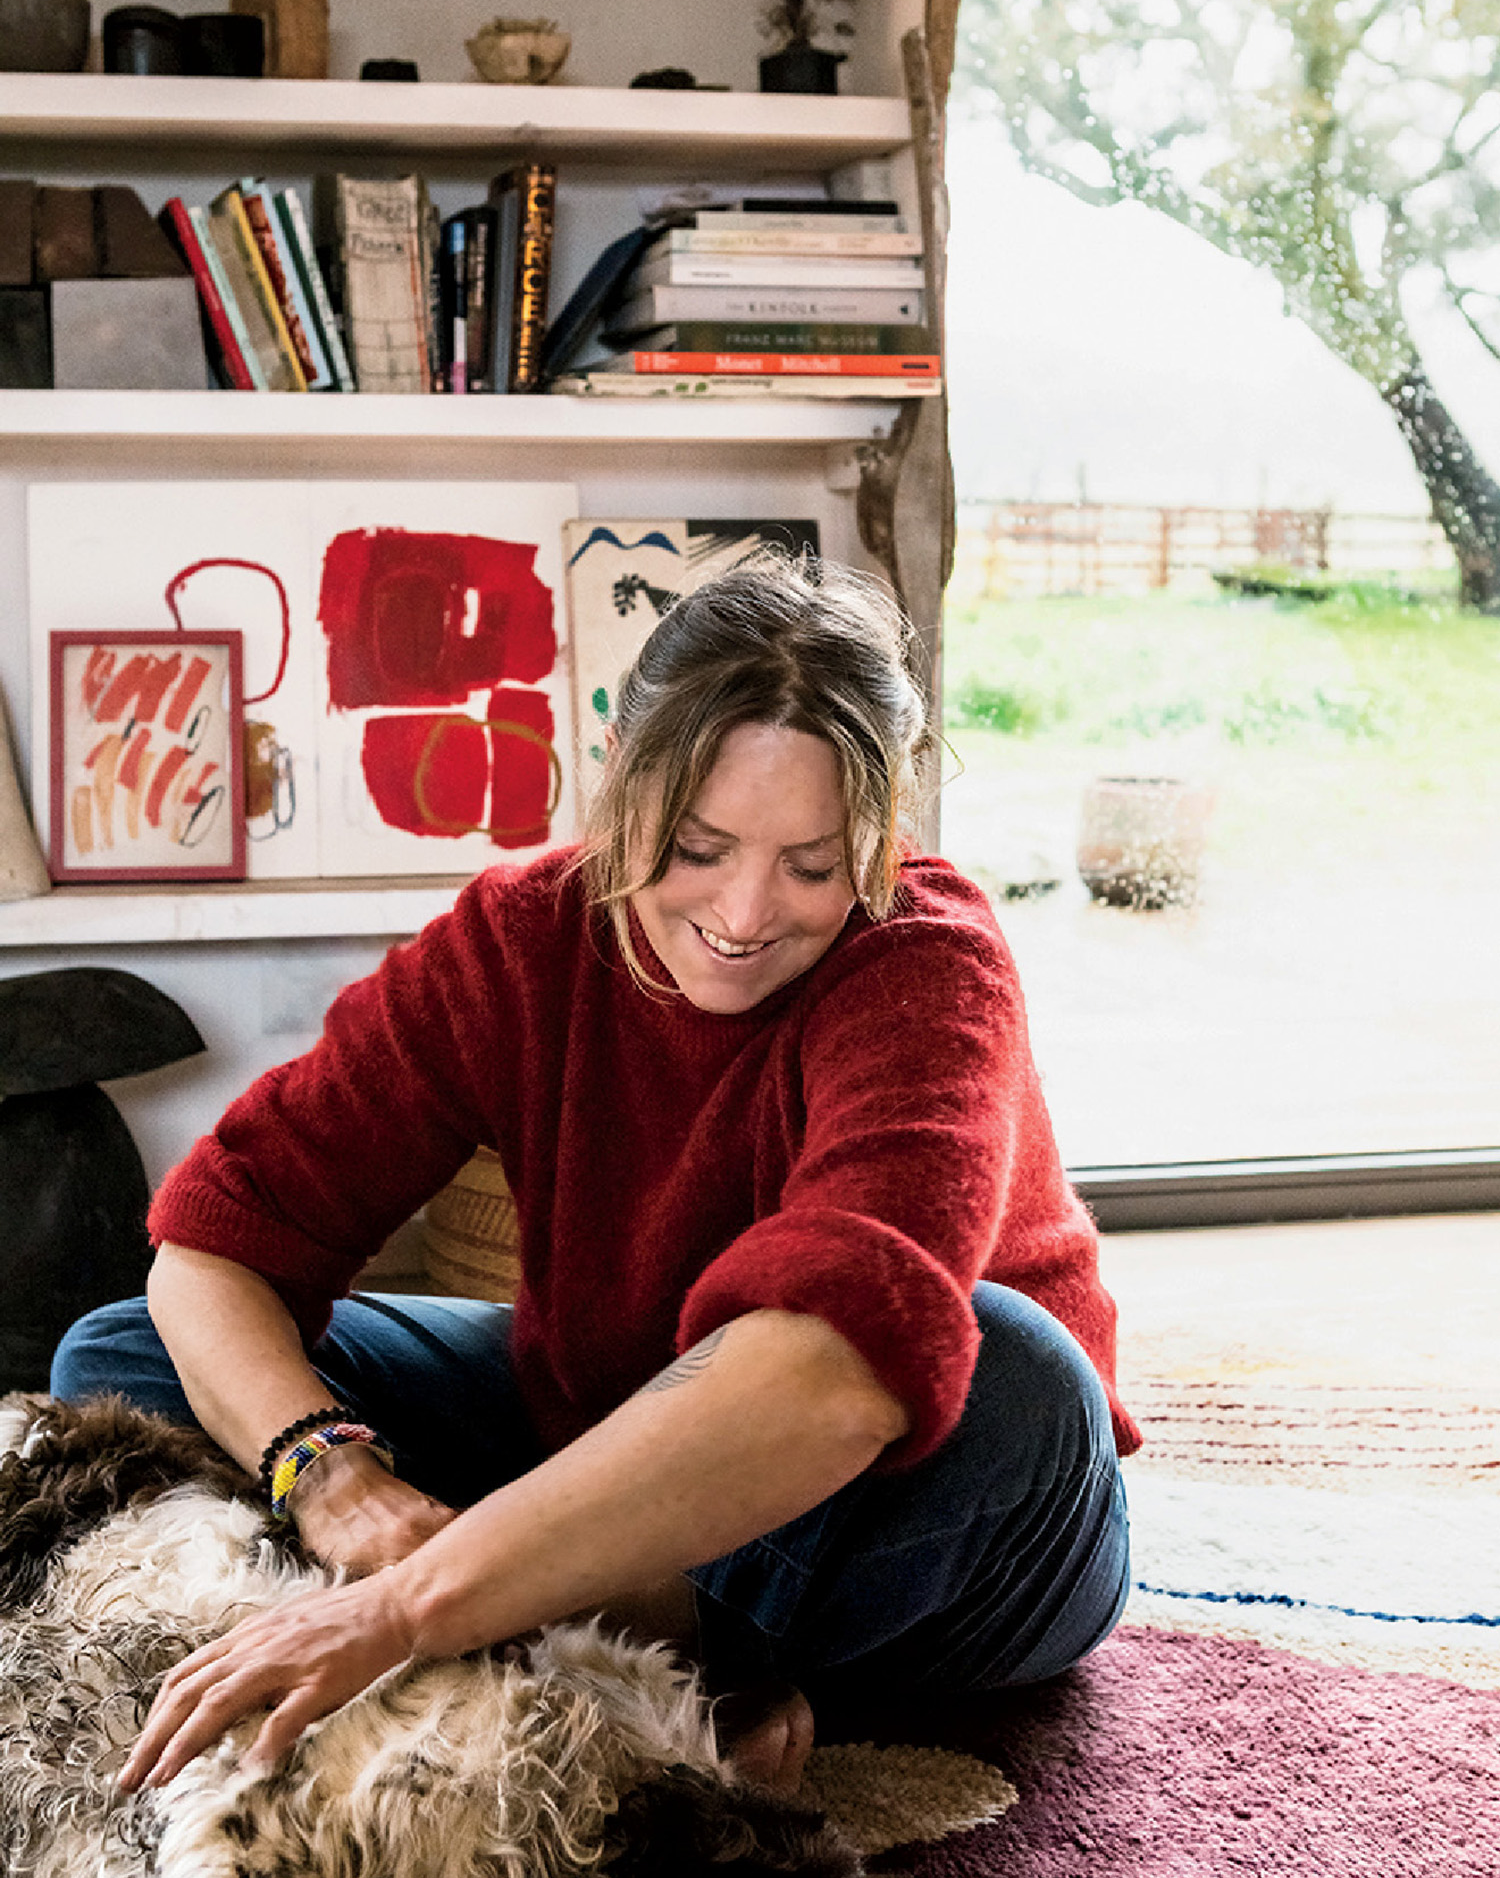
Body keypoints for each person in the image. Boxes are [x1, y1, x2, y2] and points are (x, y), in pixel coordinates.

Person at [52, 556, 1139, 1801]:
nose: (745, 912)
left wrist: (407, 1604)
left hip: (940, 1517)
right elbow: (216, 1242)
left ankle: (564, 1639)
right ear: (618, 774)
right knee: (127, 1352)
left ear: (884, 828)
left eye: (813, 863)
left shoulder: (927, 962)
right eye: (698, 847)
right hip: (621, 1422)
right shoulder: (522, 934)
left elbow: (834, 1377)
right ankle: (636, 1641)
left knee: (1013, 1365)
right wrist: (329, 1474)